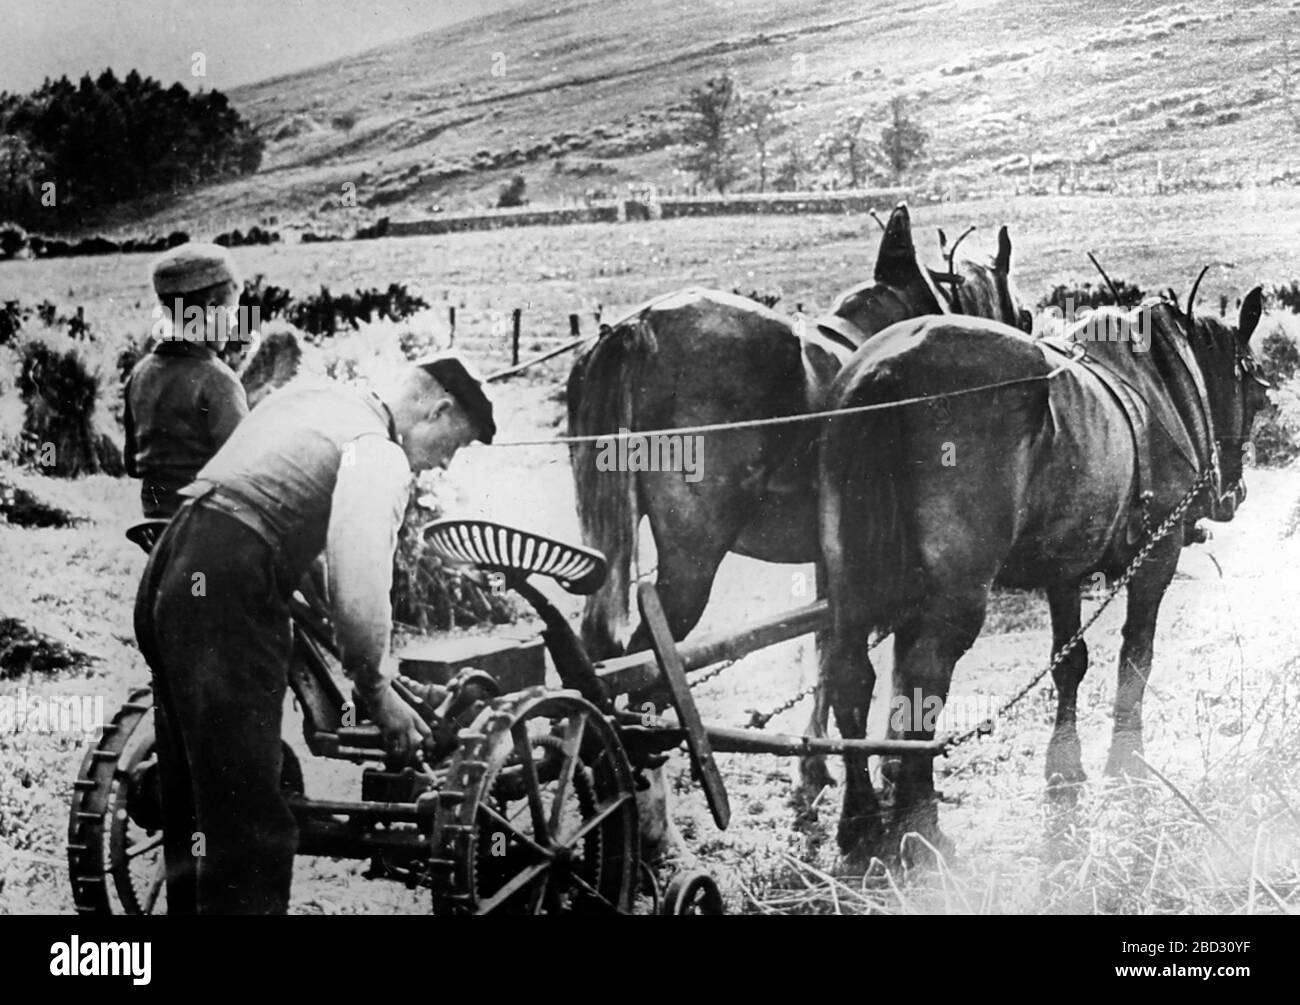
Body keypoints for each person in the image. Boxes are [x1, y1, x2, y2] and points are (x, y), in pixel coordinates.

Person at [133, 353, 495, 914]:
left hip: (174, 563)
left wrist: (322, 597)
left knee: (195, 809)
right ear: (439, 409)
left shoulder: (318, 401)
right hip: (228, 590)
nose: (446, 464)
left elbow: (261, 500)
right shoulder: (379, 452)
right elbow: (362, 572)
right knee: (250, 824)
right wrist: (376, 690)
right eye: (456, 444)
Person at [124, 243, 250, 518]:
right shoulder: (218, 380)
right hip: (205, 524)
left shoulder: (140, 373)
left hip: (155, 521)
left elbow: (132, 465)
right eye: (231, 313)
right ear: (212, 307)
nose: (233, 325)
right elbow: (244, 468)